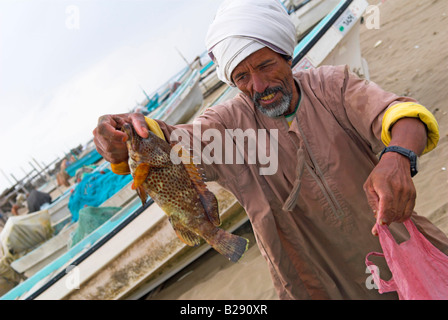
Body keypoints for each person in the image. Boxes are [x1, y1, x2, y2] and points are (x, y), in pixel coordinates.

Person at [93, 0, 448, 299]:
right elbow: (174, 142)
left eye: (265, 65)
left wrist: (398, 156)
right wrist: (125, 139)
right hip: (317, 284)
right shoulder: (227, 126)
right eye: (242, 77)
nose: (259, 85)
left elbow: (400, 114)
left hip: (404, 254)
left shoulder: (332, 87)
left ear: (286, 55)